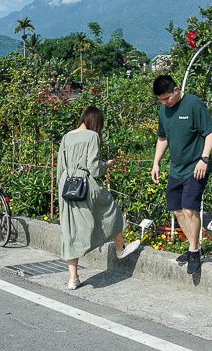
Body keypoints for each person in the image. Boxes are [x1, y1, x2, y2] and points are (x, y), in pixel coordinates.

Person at [58, 106, 140, 289]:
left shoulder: (66, 136)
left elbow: (60, 167)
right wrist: (107, 165)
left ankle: (73, 279)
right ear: (96, 122)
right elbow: (93, 167)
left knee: (69, 230)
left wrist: (61, 189)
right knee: (110, 208)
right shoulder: (92, 136)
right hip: (84, 183)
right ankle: (120, 248)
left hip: (66, 184)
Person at [151, 74, 212, 274]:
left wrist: (204, 159)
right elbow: (163, 138)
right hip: (176, 168)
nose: (164, 103)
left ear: (176, 90)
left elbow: (210, 132)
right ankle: (193, 247)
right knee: (177, 209)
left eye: (167, 98)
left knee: (190, 209)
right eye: (161, 100)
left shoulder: (194, 105)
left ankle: (194, 252)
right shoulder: (164, 110)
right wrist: (156, 163)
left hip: (196, 166)